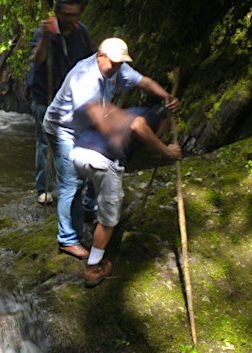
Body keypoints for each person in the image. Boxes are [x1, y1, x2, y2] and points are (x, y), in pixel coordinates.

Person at [43, 36, 179, 258]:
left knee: (88, 169)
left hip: (85, 127)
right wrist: (136, 129)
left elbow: (143, 81)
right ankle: (67, 239)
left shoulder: (116, 68)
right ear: (100, 56)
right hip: (63, 129)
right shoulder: (84, 78)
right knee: (72, 182)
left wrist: (166, 96)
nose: (116, 68)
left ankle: (88, 212)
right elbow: (102, 119)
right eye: (113, 63)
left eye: (119, 64)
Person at [71, 99, 181, 286]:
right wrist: (167, 152)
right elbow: (139, 126)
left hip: (79, 152)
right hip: (103, 158)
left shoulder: (131, 109)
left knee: (101, 193)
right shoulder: (150, 118)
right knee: (108, 219)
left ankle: (93, 225)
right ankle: (93, 268)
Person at [26, 0, 93, 205]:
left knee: (75, 140)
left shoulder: (81, 32)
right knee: (45, 142)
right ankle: (44, 188)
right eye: (66, 15)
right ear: (57, 14)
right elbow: (37, 60)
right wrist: (46, 38)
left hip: (71, 96)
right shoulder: (45, 30)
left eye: (75, 15)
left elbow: (89, 62)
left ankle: (73, 185)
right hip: (44, 93)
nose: (71, 20)